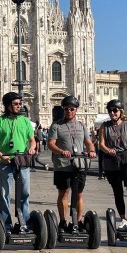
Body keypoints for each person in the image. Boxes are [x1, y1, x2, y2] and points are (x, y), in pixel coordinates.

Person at [0, 92, 37, 234]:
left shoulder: (25, 121)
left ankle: (25, 222)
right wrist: (0, 154)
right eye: (15, 104)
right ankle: (6, 224)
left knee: (25, 192)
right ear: (8, 105)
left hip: (22, 160)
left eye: (20, 104)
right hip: (5, 161)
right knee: (4, 193)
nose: (19, 106)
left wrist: (32, 148)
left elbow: (32, 140)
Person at [48, 95, 97, 230]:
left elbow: (88, 142)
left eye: (71, 109)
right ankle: (63, 221)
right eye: (66, 109)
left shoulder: (81, 125)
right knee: (63, 193)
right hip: (62, 165)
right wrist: (61, 151)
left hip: (79, 164)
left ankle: (78, 221)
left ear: (76, 110)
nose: (68, 111)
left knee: (79, 193)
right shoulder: (56, 125)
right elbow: (51, 144)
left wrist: (91, 150)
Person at [98, 99, 127, 230]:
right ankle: (123, 219)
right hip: (112, 162)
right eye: (110, 110)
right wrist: (108, 150)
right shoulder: (104, 126)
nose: (112, 113)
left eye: (115, 110)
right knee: (118, 192)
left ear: (120, 112)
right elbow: (101, 144)